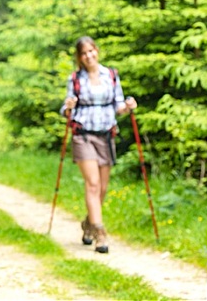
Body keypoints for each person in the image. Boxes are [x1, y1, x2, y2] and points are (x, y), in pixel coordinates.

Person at [60, 36, 137, 254]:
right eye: (84, 53)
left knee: (102, 188)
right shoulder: (75, 79)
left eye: (91, 51)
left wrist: (128, 106)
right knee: (92, 184)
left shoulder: (110, 75)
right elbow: (66, 110)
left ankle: (88, 224)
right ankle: (100, 235)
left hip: (106, 134)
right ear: (80, 57)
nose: (88, 56)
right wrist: (68, 106)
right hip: (83, 135)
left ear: (97, 51)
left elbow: (119, 105)